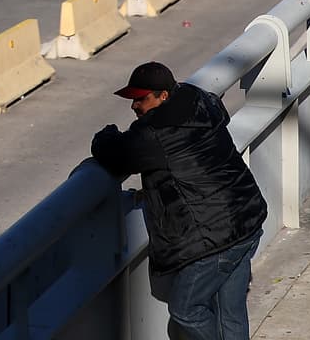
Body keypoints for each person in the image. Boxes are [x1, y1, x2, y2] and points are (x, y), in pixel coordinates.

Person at [91, 62, 267, 340]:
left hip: (215, 238)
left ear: (163, 96)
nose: (134, 106)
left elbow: (116, 155)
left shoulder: (155, 134)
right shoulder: (200, 100)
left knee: (186, 310)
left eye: (141, 99)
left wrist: (107, 134)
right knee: (230, 313)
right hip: (248, 220)